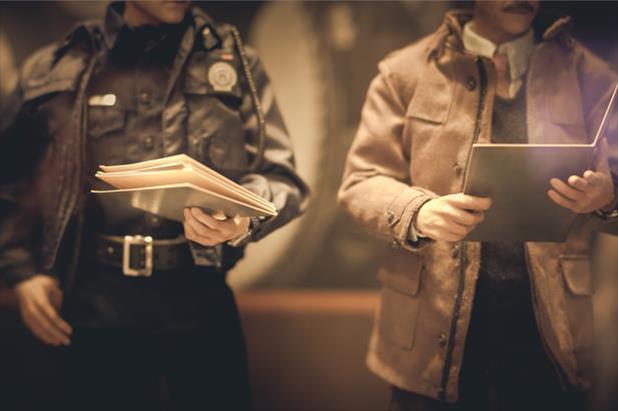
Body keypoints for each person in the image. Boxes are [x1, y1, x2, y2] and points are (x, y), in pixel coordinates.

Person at [0, 1, 308, 409]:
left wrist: (242, 218)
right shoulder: (58, 65)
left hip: (199, 295)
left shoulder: (236, 65)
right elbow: (9, 176)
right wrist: (21, 272)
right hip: (93, 299)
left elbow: (283, 179)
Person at [338, 1, 617, 410]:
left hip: (551, 343)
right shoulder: (404, 71)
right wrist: (419, 212)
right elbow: (360, 183)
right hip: (428, 344)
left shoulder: (589, 75)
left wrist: (607, 196)